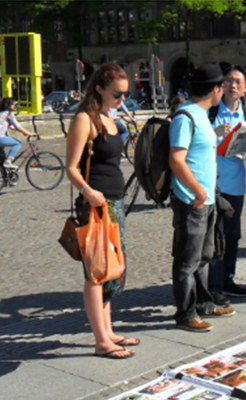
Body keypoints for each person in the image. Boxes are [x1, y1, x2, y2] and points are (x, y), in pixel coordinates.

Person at [65, 63, 137, 359]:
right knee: (96, 271)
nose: (122, 99)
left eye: (125, 94)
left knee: (111, 269)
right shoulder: (84, 119)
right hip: (95, 205)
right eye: (117, 94)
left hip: (115, 203)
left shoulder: (110, 117)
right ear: (99, 89)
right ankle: (100, 341)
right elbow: (71, 167)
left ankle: (108, 331)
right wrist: (88, 192)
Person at [168, 63, 235, 333]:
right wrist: (197, 190)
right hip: (191, 200)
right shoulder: (186, 116)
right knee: (187, 261)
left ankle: (204, 305)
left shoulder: (203, 116)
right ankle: (186, 314)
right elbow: (176, 160)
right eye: (223, 86)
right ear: (215, 89)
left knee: (205, 256)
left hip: (206, 199)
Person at [208, 65, 246, 305]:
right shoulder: (211, 111)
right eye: (229, 80)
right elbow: (196, 140)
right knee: (216, 235)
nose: (233, 85)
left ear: (245, 88)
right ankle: (214, 286)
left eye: (238, 82)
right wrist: (216, 132)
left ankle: (228, 280)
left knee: (232, 235)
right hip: (214, 182)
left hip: (237, 181)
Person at [0, 98, 37, 169]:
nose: (14, 106)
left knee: (3, 160)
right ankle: (9, 161)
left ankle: (5, 172)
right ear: (8, 105)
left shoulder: (2, 113)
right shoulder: (9, 114)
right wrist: (29, 133)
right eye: (13, 104)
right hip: (0, 137)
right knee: (18, 143)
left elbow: (12, 127)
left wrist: (23, 132)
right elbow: (17, 126)